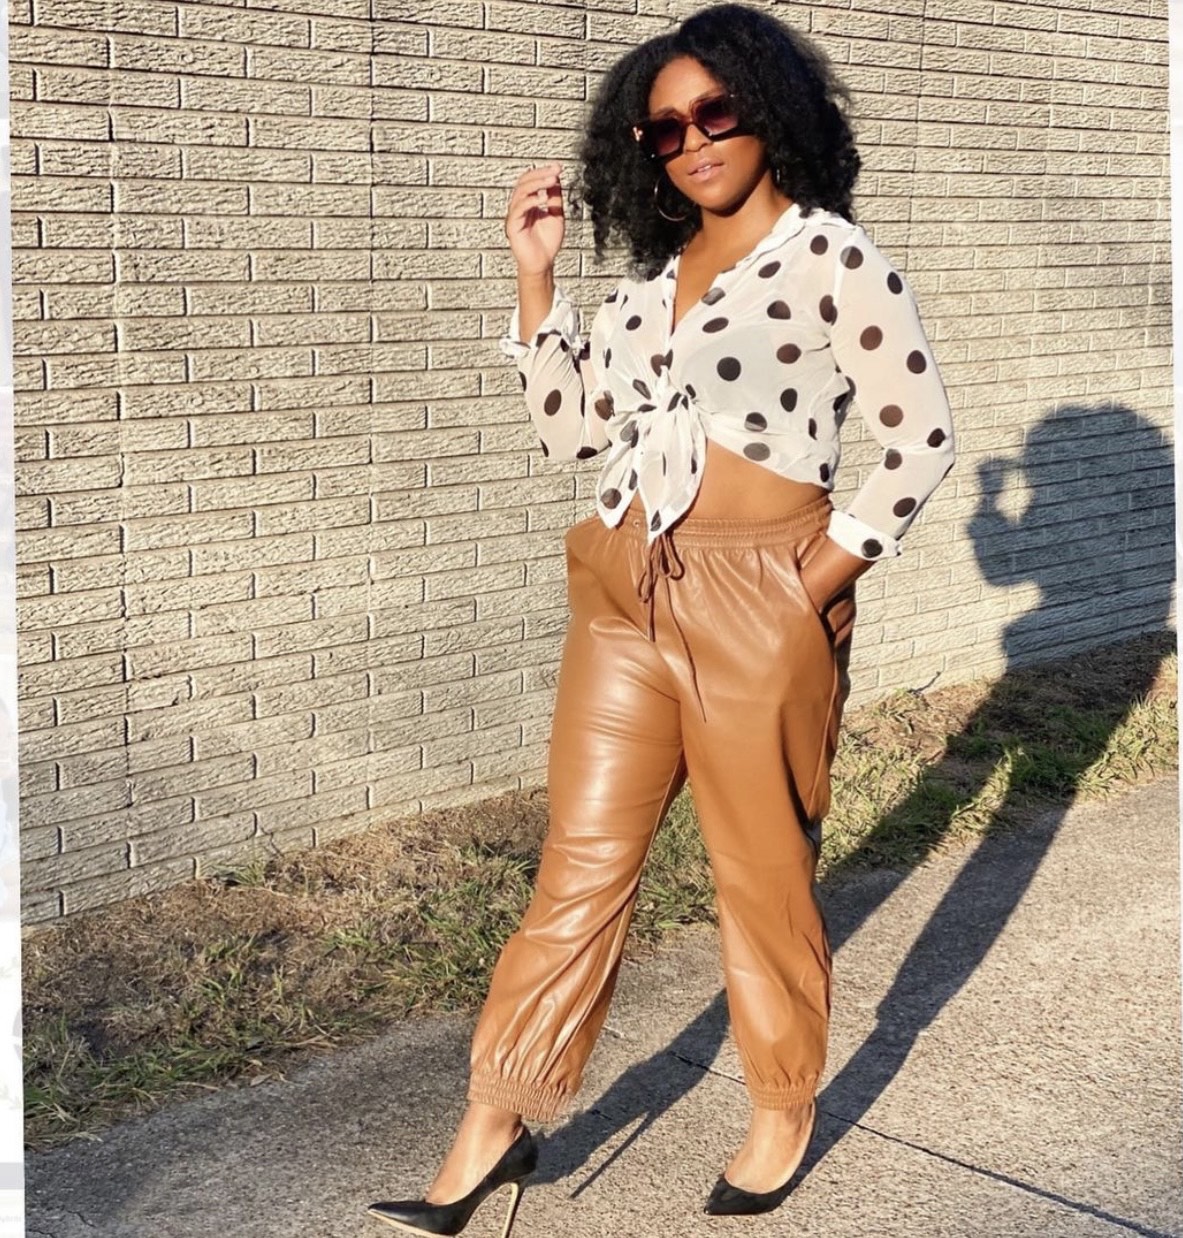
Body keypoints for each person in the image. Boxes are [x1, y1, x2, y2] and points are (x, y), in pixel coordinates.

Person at [367, 3, 955, 1233]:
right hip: (623, 593)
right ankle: (495, 1118)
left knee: (761, 873)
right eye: (663, 129)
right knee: (579, 864)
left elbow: (920, 439)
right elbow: (569, 431)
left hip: (761, 594)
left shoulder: (830, 256)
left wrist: (809, 583)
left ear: (768, 110)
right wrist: (534, 279)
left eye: (713, 111)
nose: (692, 141)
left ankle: (780, 1104)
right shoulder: (641, 296)